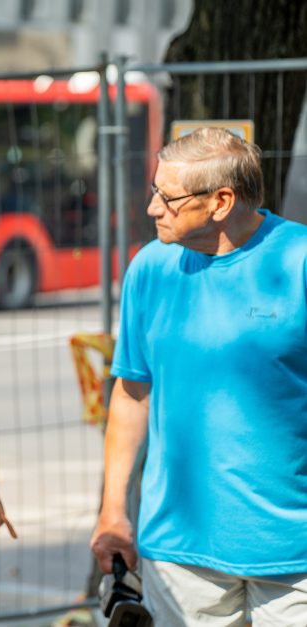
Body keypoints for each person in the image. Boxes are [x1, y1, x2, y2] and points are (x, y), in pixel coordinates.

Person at [90, 127, 307, 625]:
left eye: (167, 197)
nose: (152, 208)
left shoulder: (298, 262)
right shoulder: (150, 269)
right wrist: (114, 510)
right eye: (154, 191)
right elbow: (132, 395)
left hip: (294, 555)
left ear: (221, 201)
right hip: (179, 554)